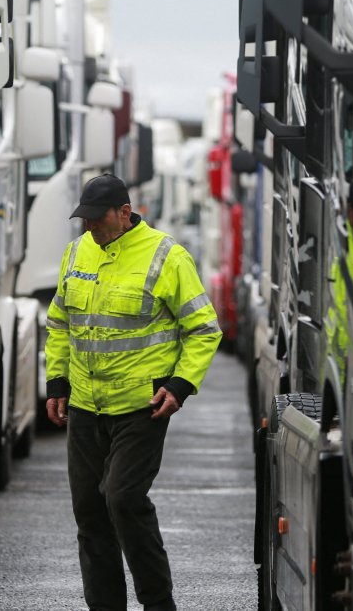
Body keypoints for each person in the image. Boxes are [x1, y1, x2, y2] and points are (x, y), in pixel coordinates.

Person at [44, 173, 222, 611]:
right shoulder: (77, 252)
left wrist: (180, 385)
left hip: (141, 408)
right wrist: (57, 381)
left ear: (124, 213)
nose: (89, 228)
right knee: (90, 515)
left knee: (122, 499)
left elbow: (203, 328)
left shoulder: (167, 256)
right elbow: (60, 323)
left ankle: (158, 604)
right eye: (83, 220)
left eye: (97, 219)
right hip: (85, 407)